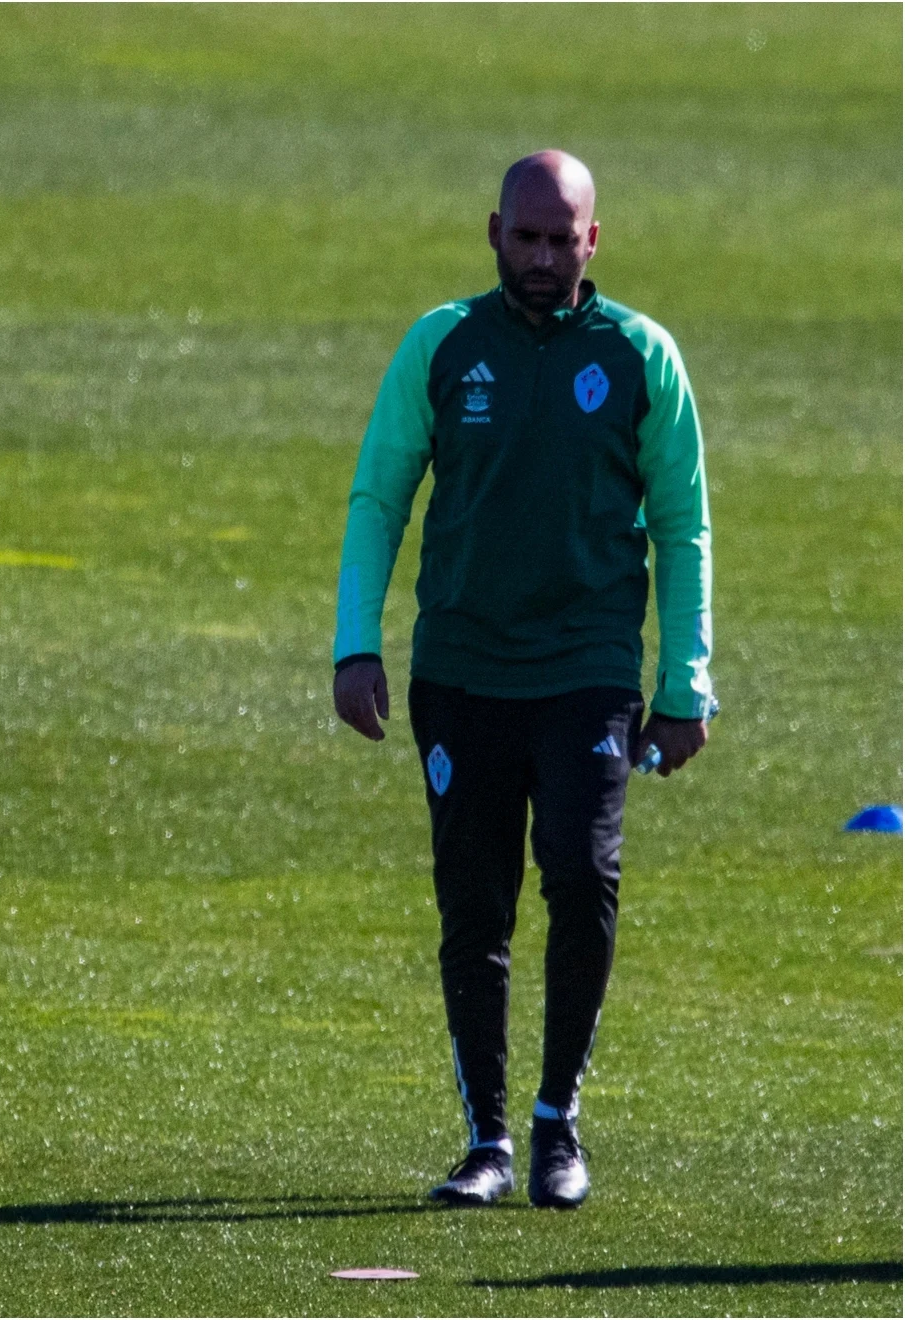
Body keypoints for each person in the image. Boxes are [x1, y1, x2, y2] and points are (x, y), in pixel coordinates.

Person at [330, 151, 714, 1209]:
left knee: (583, 882)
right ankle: (487, 1142)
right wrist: (354, 644)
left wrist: (684, 682)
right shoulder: (442, 345)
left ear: (595, 241)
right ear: (493, 231)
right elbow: (379, 497)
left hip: (589, 669)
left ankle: (558, 1124)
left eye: (563, 239)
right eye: (526, 237)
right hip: (459, 671)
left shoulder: (641, 356)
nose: (543, 258)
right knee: (474, 909)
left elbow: (683, 527)